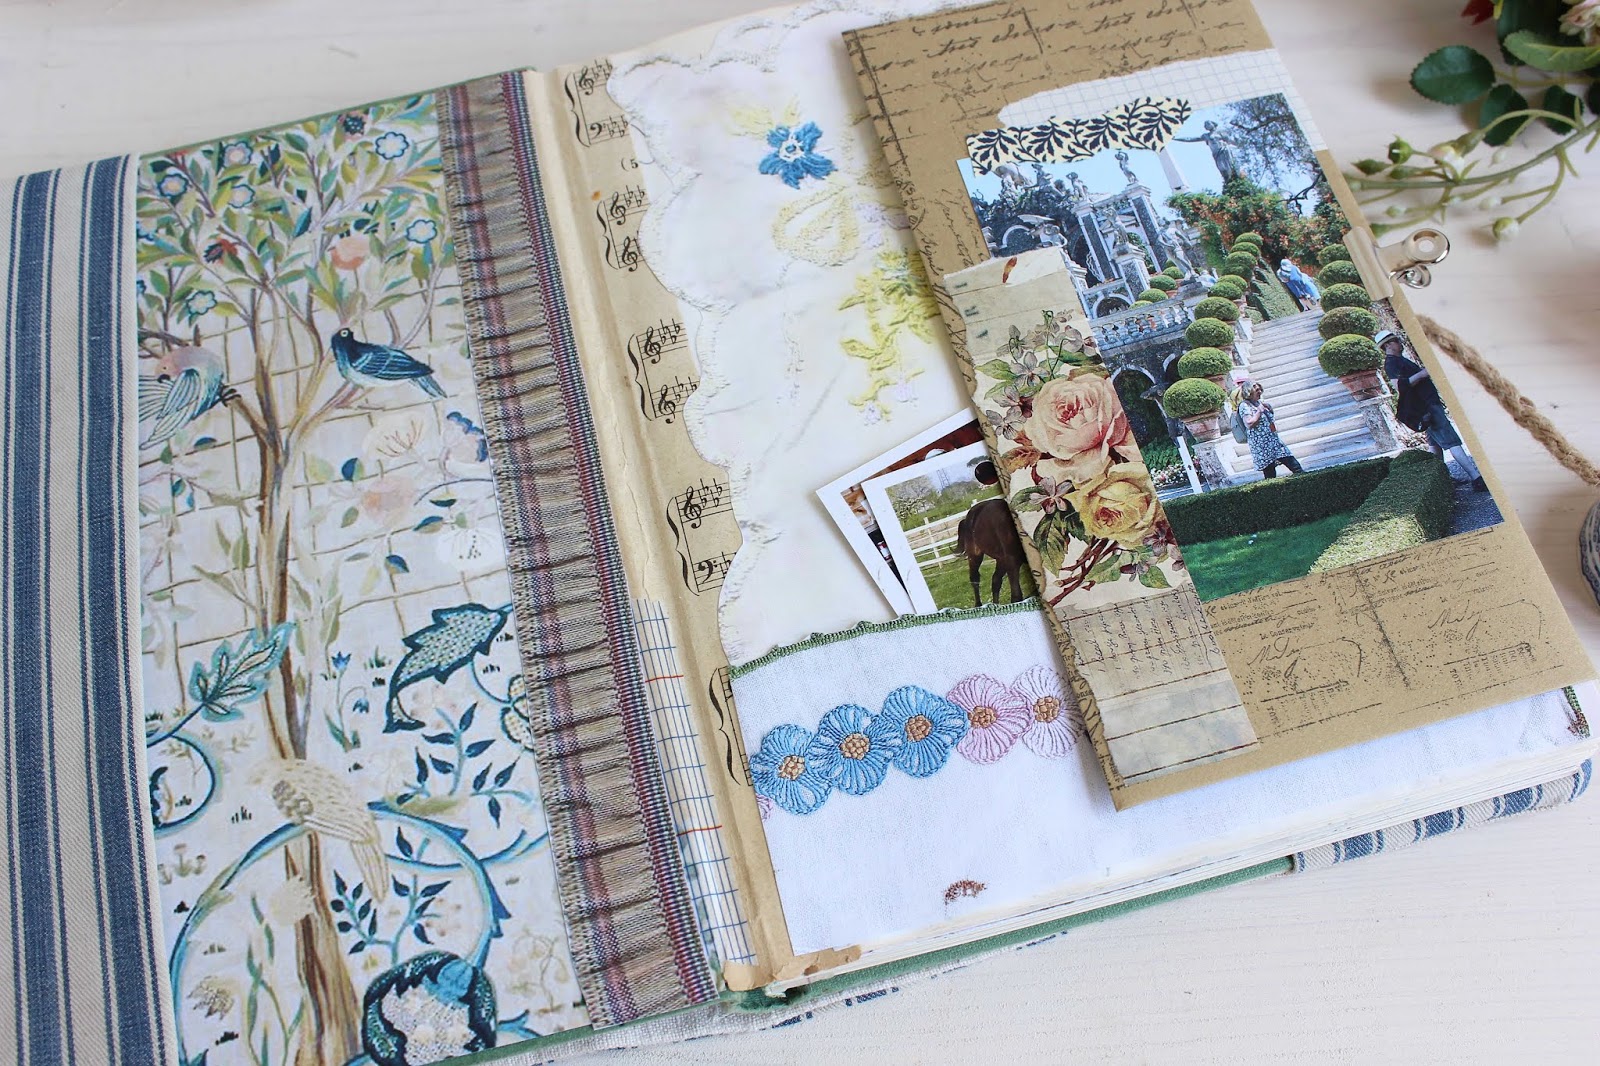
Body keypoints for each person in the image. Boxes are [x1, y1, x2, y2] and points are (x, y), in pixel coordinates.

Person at [1378, 329, 1488, 491]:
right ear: (1387, 345)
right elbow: (1399, 386)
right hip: (1427, 407)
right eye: (1396, 341)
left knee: (1434, 446)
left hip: (1427, 405)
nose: (1400, 343)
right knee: (1452, 442)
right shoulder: (1391, 363)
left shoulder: (1398, 360)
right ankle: (1476, 478)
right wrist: (1423, 374)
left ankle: (1441, 481)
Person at [1237, 378, 1302, 478]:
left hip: (1273, 441)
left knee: (1295, 466)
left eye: (1260, 389)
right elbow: (1249, 423)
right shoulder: (1244, 405)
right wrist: (1259, 411)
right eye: (1256, 390)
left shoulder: (1258, 402)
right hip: (1262, 445)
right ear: (1249, 392)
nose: (1259, 392)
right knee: (1270, 474)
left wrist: (1269, 410)